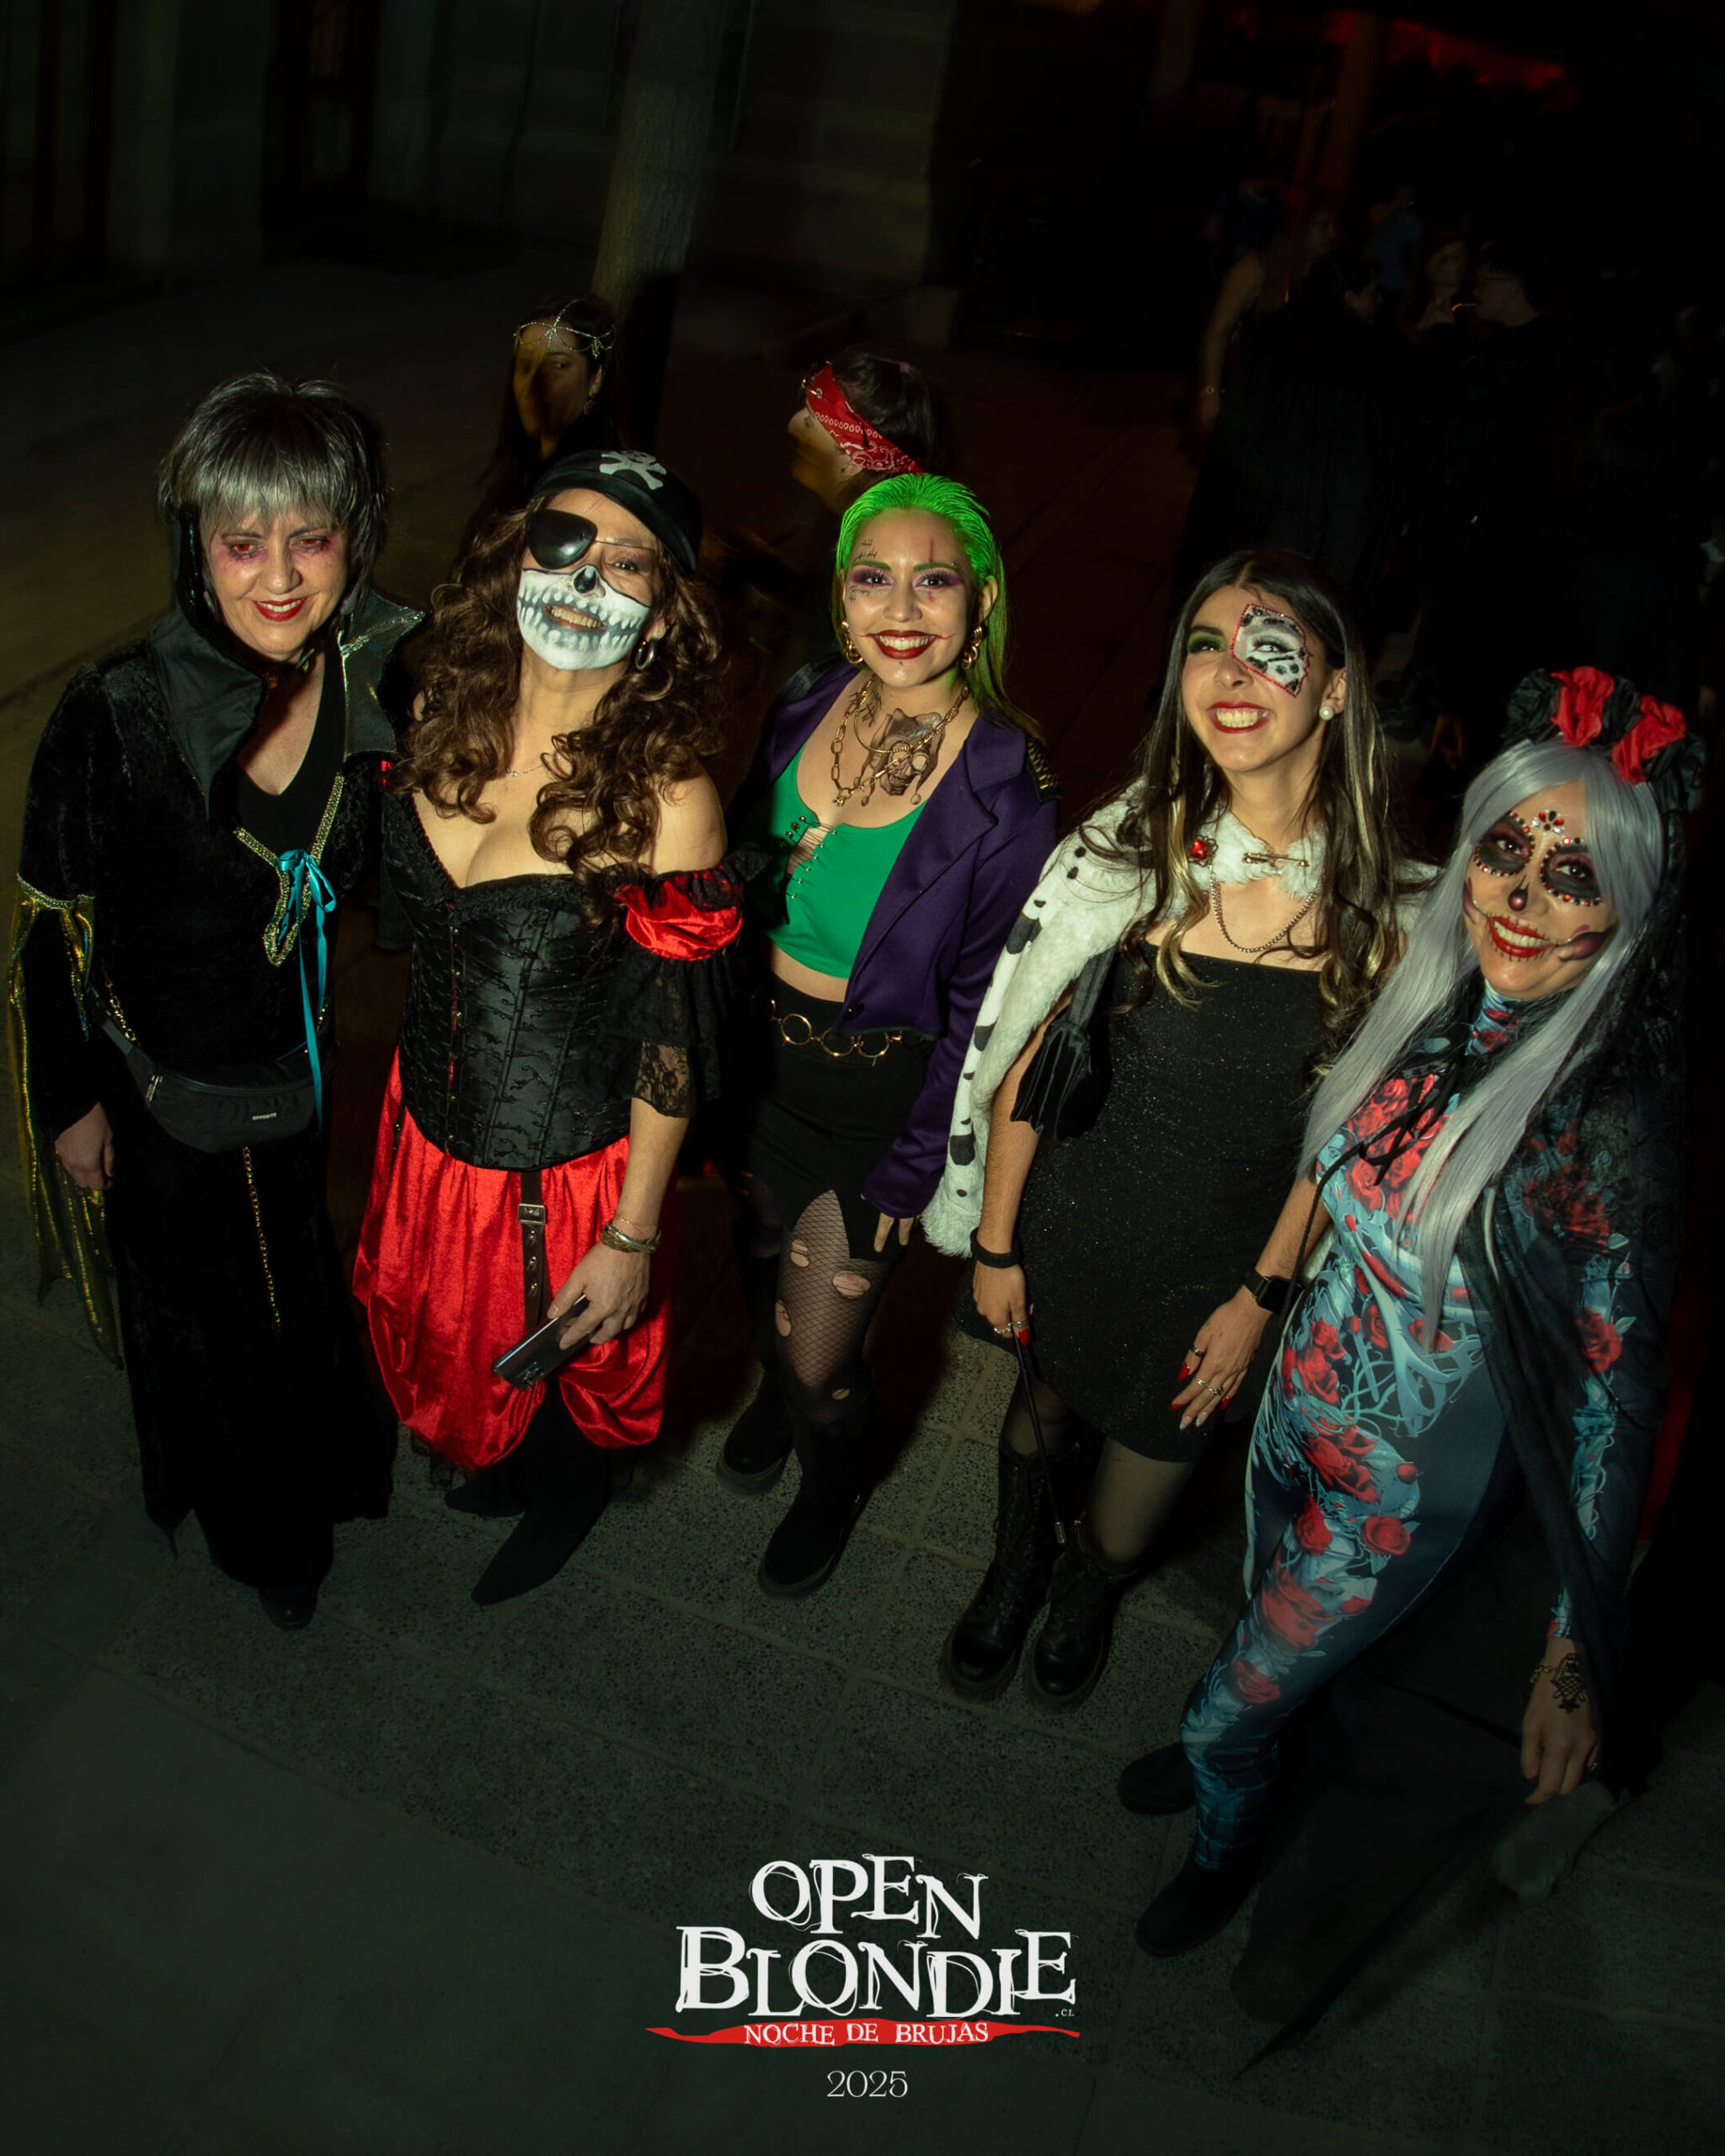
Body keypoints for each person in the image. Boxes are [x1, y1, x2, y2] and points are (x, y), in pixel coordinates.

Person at [1123, 669, 1698, 2016]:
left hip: (1395, 1504)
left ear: (1628, 911)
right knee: (1256, 1645)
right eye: (1506, 850)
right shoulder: (1438, 997)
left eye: (1574, 876)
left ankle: (1227, 1828)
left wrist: (1574, 1656)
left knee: (1225, 1712)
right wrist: (1258, 1299)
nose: (1521, 895)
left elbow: (1615, 1408)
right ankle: (1245, 1738)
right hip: (1291, 1422)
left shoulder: (1607, 1124)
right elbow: (1334, 1168)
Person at [923, 552, 1410, 1709]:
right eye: (1204, 645)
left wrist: (1259, 1296)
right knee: (1036, 1424)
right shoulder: (1127, 857)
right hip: (1075, 1227)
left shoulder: (1385, 910)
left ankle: (1088, 1587)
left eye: (1271, 648)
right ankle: (1014, 1566)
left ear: (1335, 687)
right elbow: (1027, 1059)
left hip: (1215, 1275)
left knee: (1133, 1506)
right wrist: (996, 1243)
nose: (1230, 672)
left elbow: (1345, 1131)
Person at [8, 371, 419, 1629]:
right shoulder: (115, 713)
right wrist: (72, 1106)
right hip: (159, 1106)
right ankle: (267, 1540)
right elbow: (51, 931)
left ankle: (331, 1466)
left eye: (312, 538)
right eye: (243, 543)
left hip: (298, 1089)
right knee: (208, 1327)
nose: (279, 577)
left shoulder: (379, 687)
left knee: (294, 1280)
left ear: (356, 534)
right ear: (196, 544)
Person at [353, 448, 741, 1605]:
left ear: (662, 616)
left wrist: (631, 1235)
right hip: (425, 1130)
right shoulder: (440, 713)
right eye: (564, 544)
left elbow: (670, 1047)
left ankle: (566, 1496)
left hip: (564, 1170)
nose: (584, 581)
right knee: (449, 1332)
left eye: (629, 564)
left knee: (570, 1363)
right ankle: (500, 1457)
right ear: (513, 559)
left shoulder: (668, 801)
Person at [718, 472, 1057, 1598]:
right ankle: (778, 1397)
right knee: (760, 1279)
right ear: (840, 595)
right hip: (757, 1070)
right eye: (873, 577)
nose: (900, 609)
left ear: (982, 602)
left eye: (934, 581)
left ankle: (832, 1480)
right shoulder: (807, 698)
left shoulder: (1008, 788)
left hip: (873, 1111)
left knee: (823, 1354)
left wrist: (918, 1164)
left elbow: (986, 1010)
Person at [457, 292, 619, 561]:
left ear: (595, 380)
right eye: (525, 366)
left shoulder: (594, 492)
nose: (533, 385)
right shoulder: (518, 474)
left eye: (558, 365)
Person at [1194, 189, 1338, 435]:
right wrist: (1210, 392)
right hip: (1250, 395)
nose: (1333, 235)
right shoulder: (1256, 269)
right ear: (1298, 228)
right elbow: (1219, 330)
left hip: (1294, 401)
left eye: (1334, 225)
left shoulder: (1327, 275)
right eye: (1323, 226)